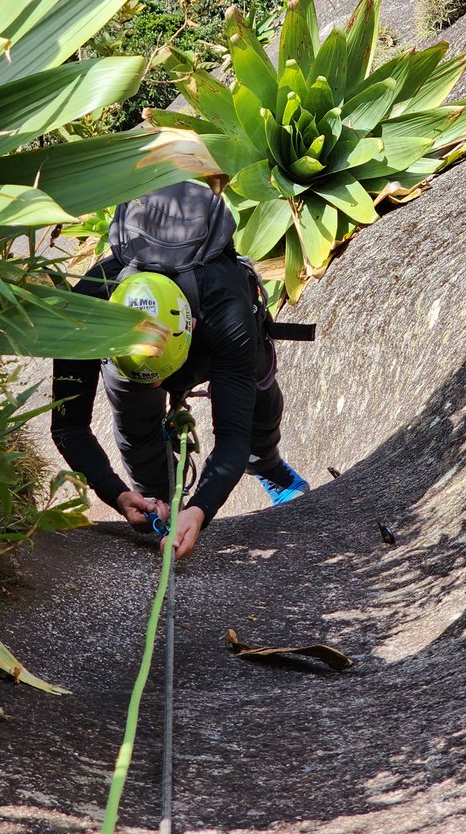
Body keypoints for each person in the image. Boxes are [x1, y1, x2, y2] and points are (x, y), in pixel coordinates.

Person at [50, 180, 309, 559]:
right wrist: (118, 494)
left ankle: (266, 464)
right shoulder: (88, 305)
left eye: (158, 372)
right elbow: (68, 426)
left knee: (258, 405)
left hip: (210, 327)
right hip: (134, 350)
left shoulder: (227, 308)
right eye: (148, 375)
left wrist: (201, 509)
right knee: (137, 433)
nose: (157, 383)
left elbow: (232, 434)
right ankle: (156, 500)